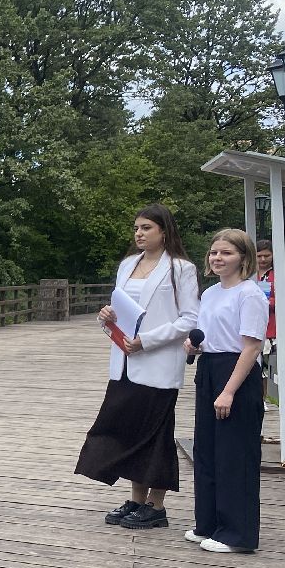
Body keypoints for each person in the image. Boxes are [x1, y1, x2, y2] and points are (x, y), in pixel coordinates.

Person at [76, 204, 200, 529]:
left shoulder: (181, 269)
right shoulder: (128, 264)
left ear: (164, 231)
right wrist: (106, 317)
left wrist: (147, 340)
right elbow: (122, 309)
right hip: (124, 362)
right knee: (126, 431)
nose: (139, 233)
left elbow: (190, 319)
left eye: (146, 227)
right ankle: (136, 499)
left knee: (155, 434)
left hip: (158, 363)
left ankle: (156, 506)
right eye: (136, 228)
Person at [185, 229, 269, 554]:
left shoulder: (249, 294)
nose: (217, 258)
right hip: (209, 368)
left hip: (236, 374)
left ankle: (237, 534)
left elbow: (251, 347)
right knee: (207, 450)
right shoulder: (210, 293)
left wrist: (229, 391)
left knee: (235, 454)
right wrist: (194, 346)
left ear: (243, 258)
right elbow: (210, 335)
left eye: (226, 253)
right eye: (214, 252)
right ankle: (209, 523)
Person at [256, 239, 276, 346]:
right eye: (259, 256)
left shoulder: (278, 274)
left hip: (273, 327)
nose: (263, 259)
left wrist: (268, 302)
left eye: (267, 256)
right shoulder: (249, 275)